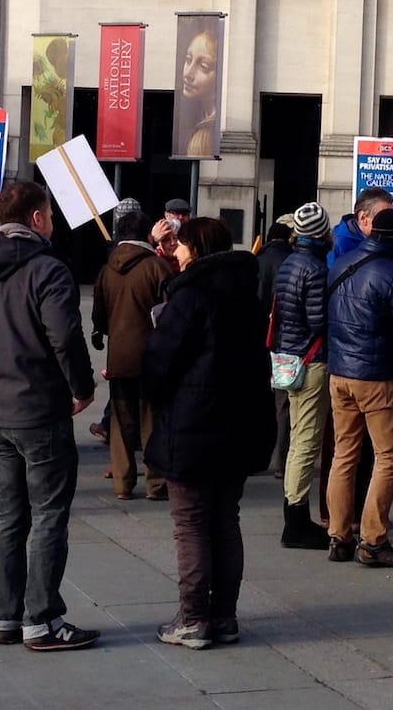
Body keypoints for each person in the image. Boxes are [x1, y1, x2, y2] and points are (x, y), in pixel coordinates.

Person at [0, 181, 100, 652]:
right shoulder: (48, 269)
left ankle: (4, 616)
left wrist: (0, 373)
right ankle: (41, 620)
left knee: (9, 516)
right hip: (40, 410)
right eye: (50, 214)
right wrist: (82, 388)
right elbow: (65, 336)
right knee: (47, 516)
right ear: (38, 218)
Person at [143, 217, 274, 649]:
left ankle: (194, 618)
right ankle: (224, 616)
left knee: (192, 524)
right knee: (224, 520)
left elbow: (161, 363)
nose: (175, 252)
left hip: (193, 424)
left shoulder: (190, 296)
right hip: (238, 424)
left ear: (196, 249)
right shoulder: (246, 293)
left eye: (180, 245)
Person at [325, 207, 393, 567]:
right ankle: (373, 539)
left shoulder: (342, 263)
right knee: (388, 456)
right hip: (376, 374)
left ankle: (338, 535)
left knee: (344, 453)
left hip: (340, 373)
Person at [91, 207, 173, 501]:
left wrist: (101, 331)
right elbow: (169, 313)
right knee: (151, 421)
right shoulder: (156, 266)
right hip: (151, 356)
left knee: (120, 422)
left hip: (118, 358)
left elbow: (98, 314)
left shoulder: (106, 268)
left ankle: (123, 483)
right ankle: (156, 482)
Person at [272, 202, 333, 549]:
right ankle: (295, 519)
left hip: (288, 358)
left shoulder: (289, 263)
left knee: (298, 437)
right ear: (321, 232)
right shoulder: (314, 268)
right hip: (310, 360)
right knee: (307, 441)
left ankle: (293, 513)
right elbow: (316, 320)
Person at [258, 217, 295, 476]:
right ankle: (281, 461)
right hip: (283, 339)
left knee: (259, 398)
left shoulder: (257, 260)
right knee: (283, 404)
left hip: (258, 337)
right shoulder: (290, 262)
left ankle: (257, 453)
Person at [177, 27, 220, 156]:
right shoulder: (203, 116)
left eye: (203, 67)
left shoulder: (204, 136)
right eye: (188, 59)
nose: (188, 74)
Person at [329, 187, 393, 265]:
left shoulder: (388, 238)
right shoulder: (342, 243)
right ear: (363, 218)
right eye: (383, 217)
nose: (390, 222)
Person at [150, 198, 193, 274]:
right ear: (166, 215)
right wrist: (154, 240)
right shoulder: (157, 229)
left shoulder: (193, 232)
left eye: (184, 214)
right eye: (176, 213)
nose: (180, 217)